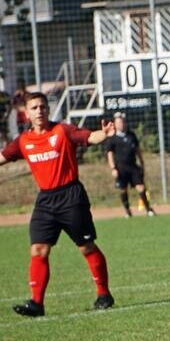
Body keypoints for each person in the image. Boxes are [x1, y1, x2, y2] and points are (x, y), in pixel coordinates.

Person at [0, 91, 116, 317]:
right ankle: (36, 303)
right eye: (34, 108)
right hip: (45, 200)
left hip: (71, 196)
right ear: (26, 113)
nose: (39, 111)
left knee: (86, 247)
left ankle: (104, 294)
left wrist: (105, 133)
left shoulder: (62, 131)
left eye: (42, 106)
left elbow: (89, 137)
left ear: (48, 109)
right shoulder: (24, 141)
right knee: (39, 249)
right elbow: (3, 156)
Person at [105, 112, 155, 218]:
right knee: (123, 189)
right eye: (118, 122)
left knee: (141, 187)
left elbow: (138, 150)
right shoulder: (112, 138)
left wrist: (142, 163)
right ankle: (127, 211)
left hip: (133, 166)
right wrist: (113, 168)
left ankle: (148, 209)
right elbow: (109, 154)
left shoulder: (131, 135)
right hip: (121, 168)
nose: (121, 124)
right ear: (115, 124)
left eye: (122, 122)